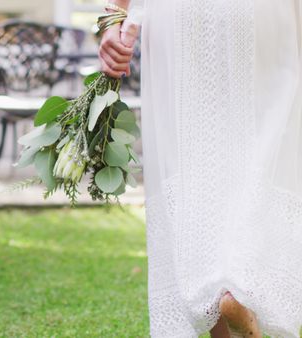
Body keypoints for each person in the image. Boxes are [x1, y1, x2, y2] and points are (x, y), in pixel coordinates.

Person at [99, 0, 302, 337]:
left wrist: (113, 18)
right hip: (263, 12)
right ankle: (240, 286)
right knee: (267, 146)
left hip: (179, 18)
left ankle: (224, 295)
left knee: (196, 161)